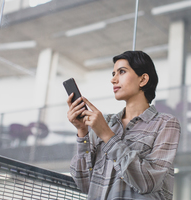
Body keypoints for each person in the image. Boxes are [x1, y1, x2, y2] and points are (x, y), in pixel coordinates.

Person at [67, 51, 181, 200]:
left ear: (143, 79)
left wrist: (107, 136)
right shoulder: (105, 123)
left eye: (121, 72)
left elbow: (148, 182)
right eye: (113, 73)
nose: (113, 80)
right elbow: (84, 184)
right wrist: (82, 131)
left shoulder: (165, 123)